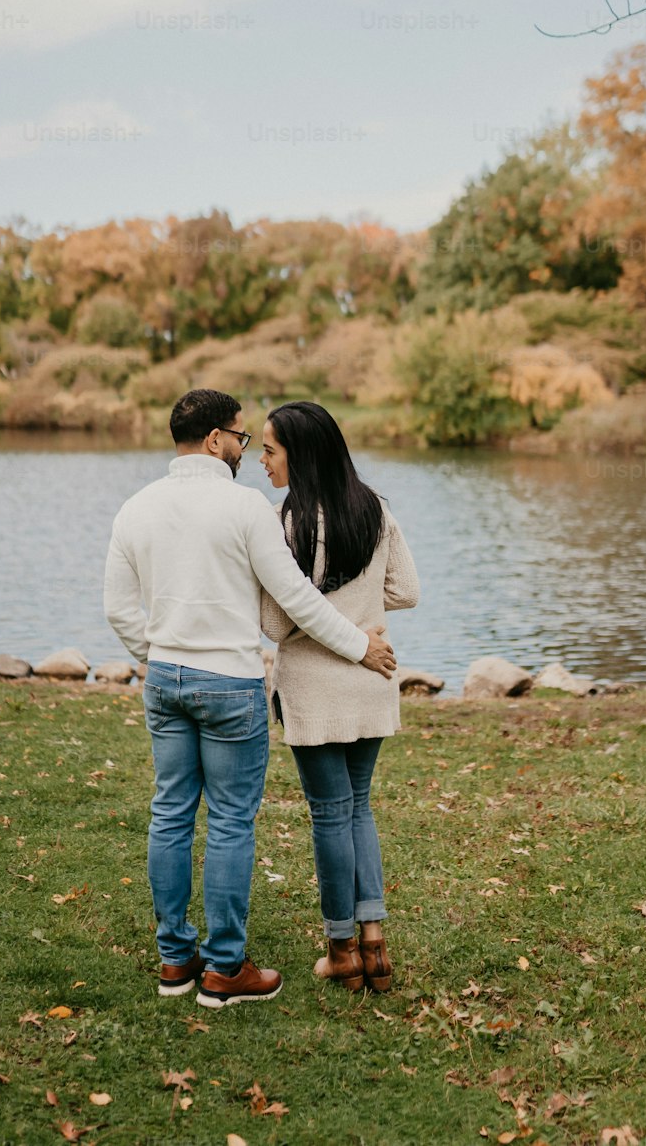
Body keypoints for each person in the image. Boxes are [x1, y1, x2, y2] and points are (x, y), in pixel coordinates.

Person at [103, 388, 396, 1009]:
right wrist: (359, 646)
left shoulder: (135, 508)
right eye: (240, 437)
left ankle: (175, 961)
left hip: (166, 680)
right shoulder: (247, 510)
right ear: (214, 439)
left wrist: (153, 658)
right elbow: (295, 598)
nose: (245, 449)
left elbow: (118, 609)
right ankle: (225, 968)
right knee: (232, 821)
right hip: (230, 684)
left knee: (170, 813)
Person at [259, 401, 420, 993]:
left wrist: (319, 621)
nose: (262, 461)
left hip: (314, 685)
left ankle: (341, 950)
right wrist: (363, 619)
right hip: (371, 679)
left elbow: (276, 627)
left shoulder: (288, 523)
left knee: (330, 813)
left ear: (299, 455)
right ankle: (375, 944)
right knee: (359, 807)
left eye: (270, 450)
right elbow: (406, 590)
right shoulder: (374, 508)